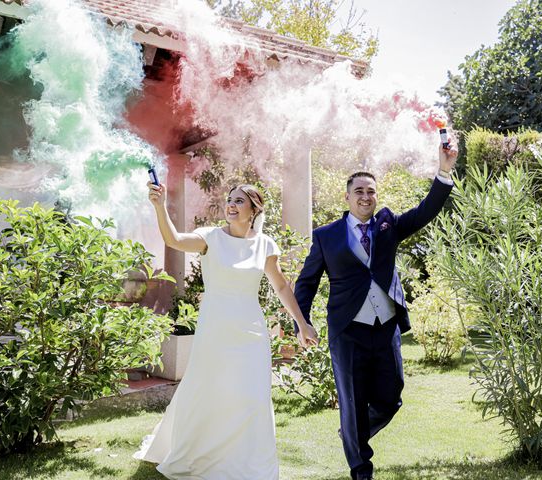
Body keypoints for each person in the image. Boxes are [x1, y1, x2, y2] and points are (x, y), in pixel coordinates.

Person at [294, 141, 458, 480]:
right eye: (359, 191)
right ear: (347, 197)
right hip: (348, 330)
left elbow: (426, 210)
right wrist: (302, 322)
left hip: (385, 328)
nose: (366, 196)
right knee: (352, 400)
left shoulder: (389, 226)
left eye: (371, 191)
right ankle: (360, 468)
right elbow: (306, 281)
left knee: (391, 396)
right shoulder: (327, 236)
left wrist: (444, 171)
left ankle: (352, 434)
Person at [134, 182, 319, 480]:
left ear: (254, 210)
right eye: (229, 200)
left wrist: (301, 323)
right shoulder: (210, 238)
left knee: (252, 396)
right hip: (216, 328)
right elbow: (174, 239)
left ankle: (249, 463)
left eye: (239, 201)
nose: (231, 205)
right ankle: (195, 452)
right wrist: (159, 205)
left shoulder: (265, 245)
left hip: (252, 332)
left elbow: (281, 286)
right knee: (206, 388)